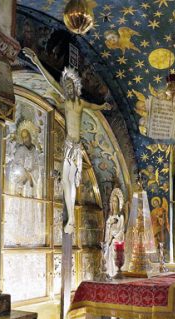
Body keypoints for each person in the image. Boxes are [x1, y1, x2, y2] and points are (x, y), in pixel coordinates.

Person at [60, 67, 111, 234]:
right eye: (66, 87)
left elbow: (93, 106)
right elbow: (52, 82)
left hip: (76, 147)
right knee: (65, 181)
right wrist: (36, 61)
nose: (68, 89)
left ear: (75, 87)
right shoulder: (66, 102)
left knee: (71, 180)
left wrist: (103, 106)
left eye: (70, 86)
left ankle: (72, 219)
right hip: (69, 145)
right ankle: (71, 219)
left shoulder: (81, 103)